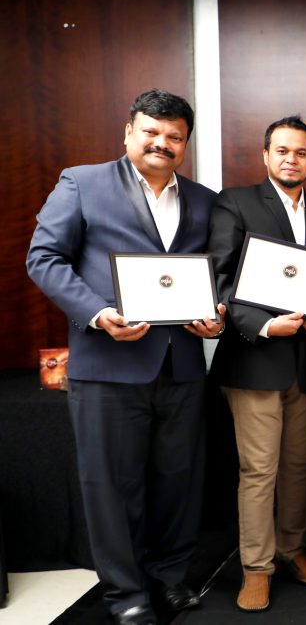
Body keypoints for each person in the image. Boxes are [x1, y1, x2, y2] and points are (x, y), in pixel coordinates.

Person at [26, 89, 224, 625]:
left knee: (179, 482)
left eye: (174, 136)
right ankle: (126, 593)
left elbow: (218, 272)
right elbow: (43, 258)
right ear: (128, 132)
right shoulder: (82, 183)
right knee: (111, 487)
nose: (162, 143)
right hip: (107, 364)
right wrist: (96, 313)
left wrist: (218, 313)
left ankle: (170, 579)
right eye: (151, 132)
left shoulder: (206, 200)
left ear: (185, 143)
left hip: (181, 365)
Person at [207, 116, 306, 611]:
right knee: (259, 470)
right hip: (254, 358)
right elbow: (220, 276)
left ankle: (292, 550)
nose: (291, 159)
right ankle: (256, 568)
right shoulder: (235, 202)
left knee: (298, 467)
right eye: (282, 150)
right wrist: (265, 325)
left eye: (301, 152)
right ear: (266, 155)